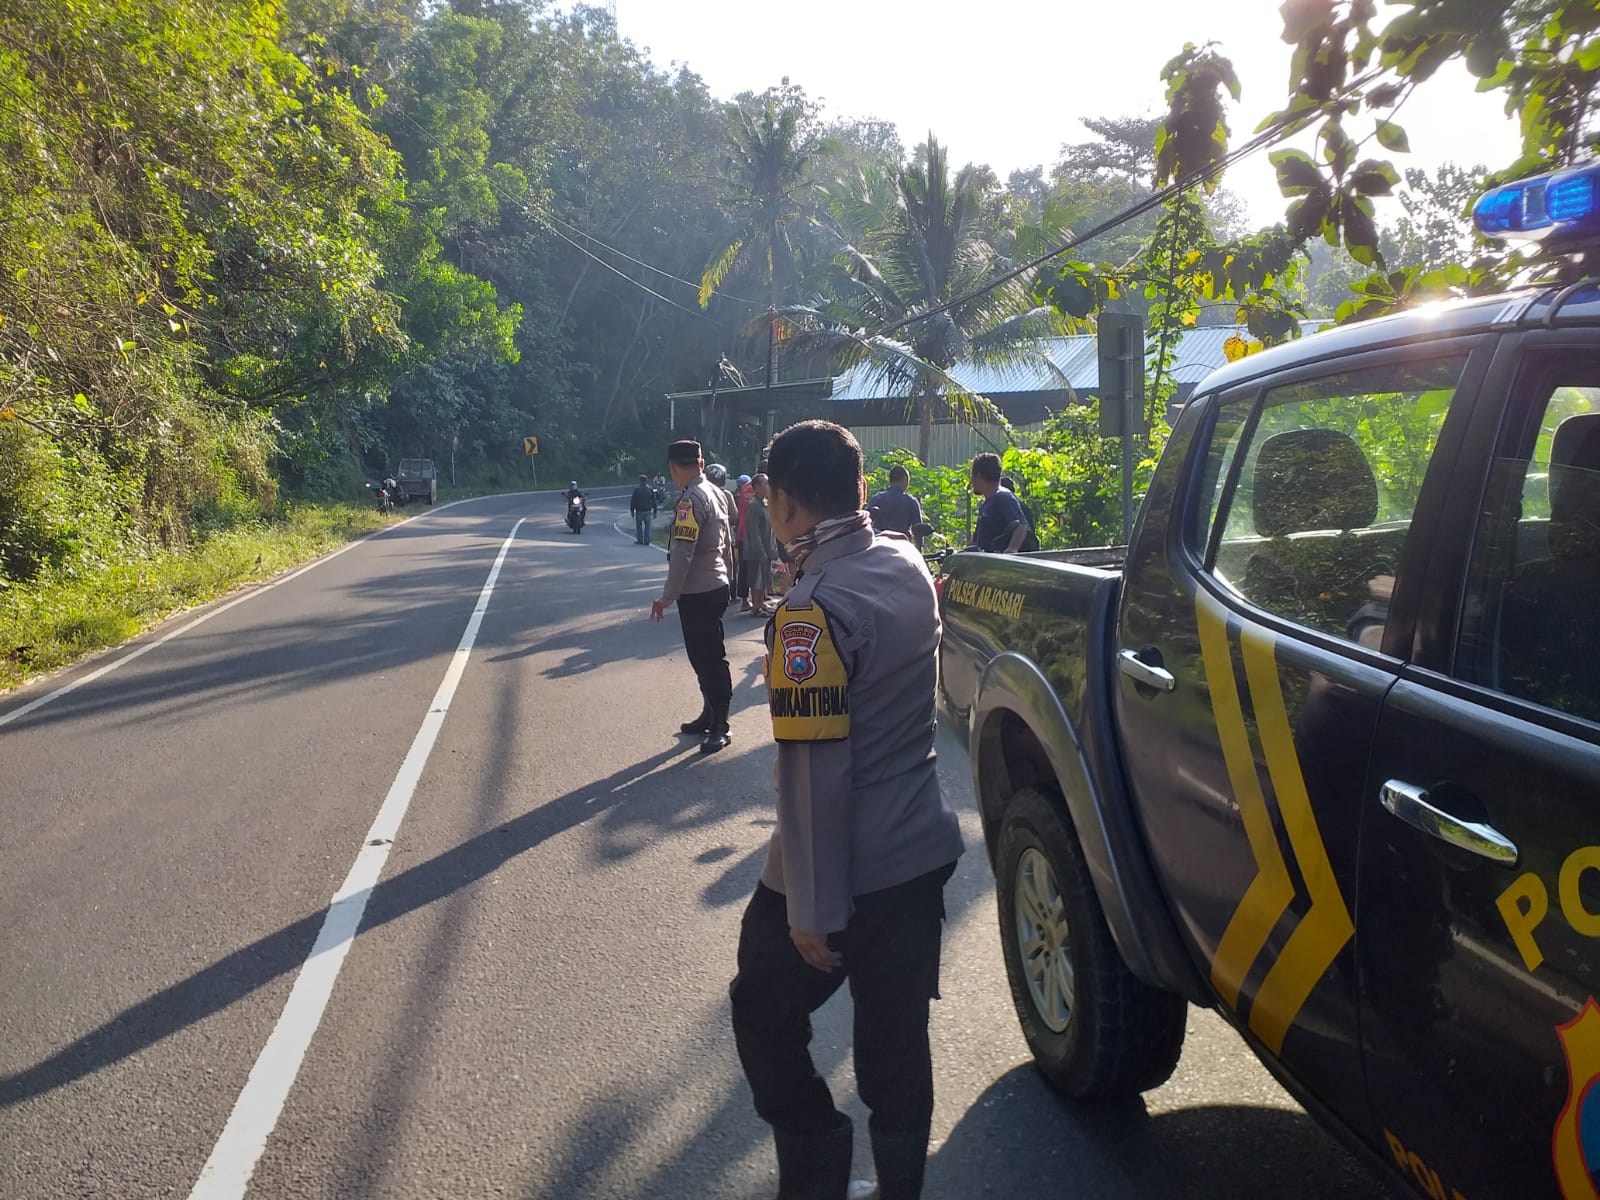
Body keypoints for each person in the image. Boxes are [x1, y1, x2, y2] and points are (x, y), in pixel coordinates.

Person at [730, 420, 965, 1200]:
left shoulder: (809, 613)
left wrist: (810, 906)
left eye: (769, 498)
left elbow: (811, 772)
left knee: (763, 1014)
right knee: (896, 1039)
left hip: (840, 870)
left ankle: (816, 1161)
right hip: (918, 855)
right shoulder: (903, 559)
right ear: (861, 489)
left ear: (784, 503)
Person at [650, 441, 736, 754]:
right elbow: (727, 545)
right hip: (716, 584)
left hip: (698, 590)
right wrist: (730, 579)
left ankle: (721, 724)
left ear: (673, 468)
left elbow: (683, 553)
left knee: (708, 658)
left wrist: (667, 596)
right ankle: (710, 714)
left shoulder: (690, 500)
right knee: (707, 656)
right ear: (700, 462)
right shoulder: (718, 493)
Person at [967, 453, 1030, 553]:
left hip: (998, 564)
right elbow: (975, 542)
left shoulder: (1004, 497)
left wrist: (1012, 549)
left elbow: (1021, 525)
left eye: (972, 476)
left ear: (978, 476)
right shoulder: (985, 505)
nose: (971, 481)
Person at [742, 473, 779, 617]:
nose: (768, 487)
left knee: (763, 578)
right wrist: (761, 552)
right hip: (756, 551)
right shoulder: (753, 505)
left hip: (766, 548)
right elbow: (754, 532)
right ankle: (756, 606)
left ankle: (761, 604)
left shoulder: (763, 503)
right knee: (756, 580)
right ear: (757, 487)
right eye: (765, 484)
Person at [866, 465, 925, 537]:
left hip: (879, 542)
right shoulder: (911, 502)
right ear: (905, 480)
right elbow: (918, 531)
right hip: (902, 544)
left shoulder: (876, 499)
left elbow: (866, 525)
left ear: (890, 480)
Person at [998, 475, 1041, 553]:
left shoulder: (1007, 506)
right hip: (1029, 551)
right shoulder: (1025, 507)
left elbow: (1024, 527)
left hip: (1016, 550)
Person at [736, 474, 757, 610]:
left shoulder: (744, 488)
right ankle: (757, 602)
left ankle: (745, 600)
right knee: (756, 569)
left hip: (742, 531)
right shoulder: (761, 488)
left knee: (743, 568)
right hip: (754, 534)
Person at [629, 474, 658, 545]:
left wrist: (632, 510)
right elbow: (654, 501)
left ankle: (640, 539)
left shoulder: (637, 489)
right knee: (647, 526)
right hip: (648, 511)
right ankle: (647, 540)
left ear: (640, 480)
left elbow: (633, 501)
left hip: (639, 511)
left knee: (639, 526)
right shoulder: (650, 489)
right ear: (646, 480)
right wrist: (655, 511)